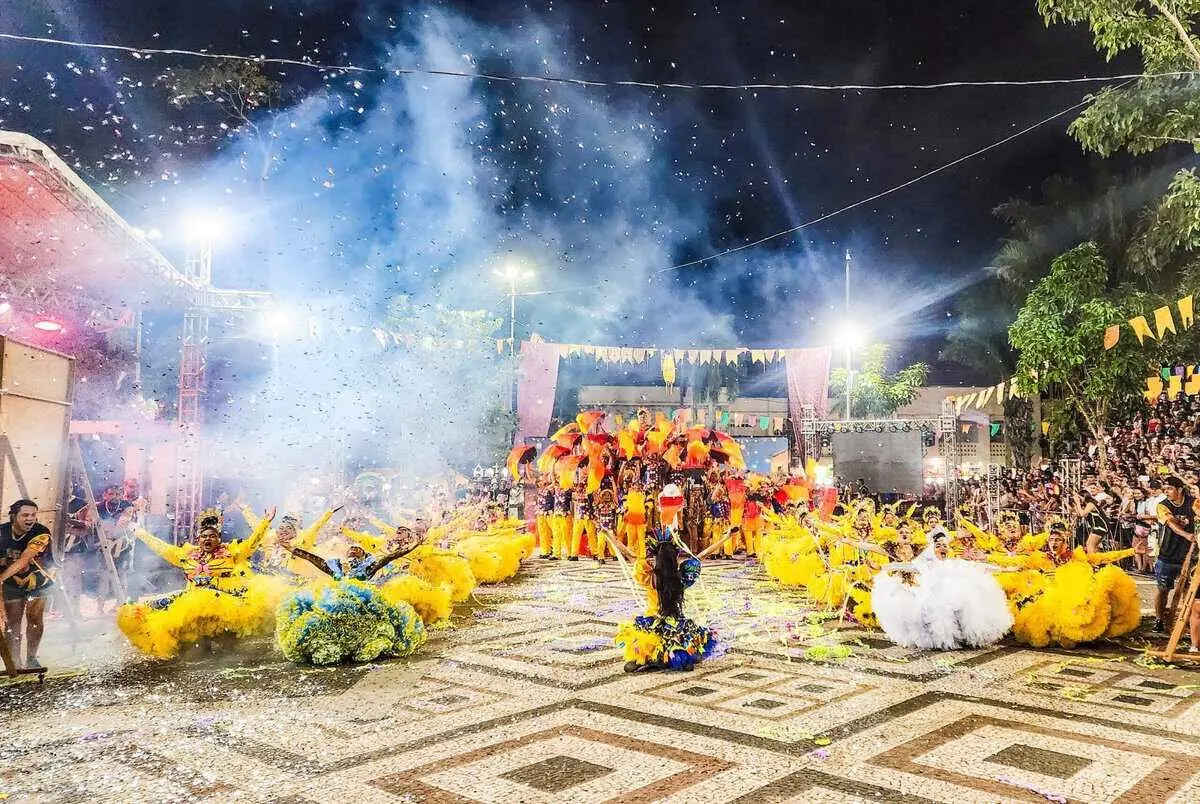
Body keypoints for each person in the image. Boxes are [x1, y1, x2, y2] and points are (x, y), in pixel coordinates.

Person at [0, 500, 54, 669]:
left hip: (39, 580)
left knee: (35, 619)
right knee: (13, 622)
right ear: (14, 516)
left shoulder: (41, 532)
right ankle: (15, 664)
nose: (30, 518)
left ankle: (31, 659)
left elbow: (25, 559)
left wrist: (0, 579)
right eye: (25, 515)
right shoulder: (2, 532)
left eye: (33, 514)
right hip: (11, 582)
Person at [1154, 476, 1198, 633]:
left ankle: (1186, 620)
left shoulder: (1193, 502)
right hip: (1167, 555)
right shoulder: (1162, 505)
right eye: (1164, 489)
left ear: (1179, 489)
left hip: (1190, 555)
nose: (1166, 492)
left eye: (1170, 488)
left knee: (1188, 590)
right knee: (1163, 589)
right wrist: (1186, 535)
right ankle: (1159, 619)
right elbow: (1171, 523)